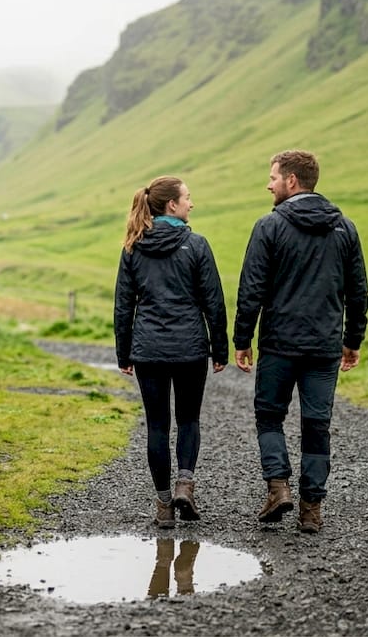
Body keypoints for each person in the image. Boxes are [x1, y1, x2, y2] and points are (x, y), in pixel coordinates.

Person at [233, 149, 368, 534]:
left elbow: (251, 288)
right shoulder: (345, 227)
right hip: (324, 346)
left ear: (291, 181)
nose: (268, 184)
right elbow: (358, 291)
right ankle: (311, 509)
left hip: (279, 343)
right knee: (317, 424)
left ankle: (278, 488)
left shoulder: (269, 226)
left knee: (270, 416)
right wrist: (352, 339)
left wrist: (242, 338)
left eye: (273, 177)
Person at [114, 175, 228, 529]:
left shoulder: (133, 247)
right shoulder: (197, 245)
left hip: (148, 350)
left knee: (157, 426)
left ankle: (164, 505)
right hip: (191, 348)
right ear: (172, 205)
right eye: (188, 198)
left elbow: (123, 306)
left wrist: (124, 353)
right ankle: (185, 484)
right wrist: (219, 348)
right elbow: (214, 301)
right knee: (189, 419)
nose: (192, 204)